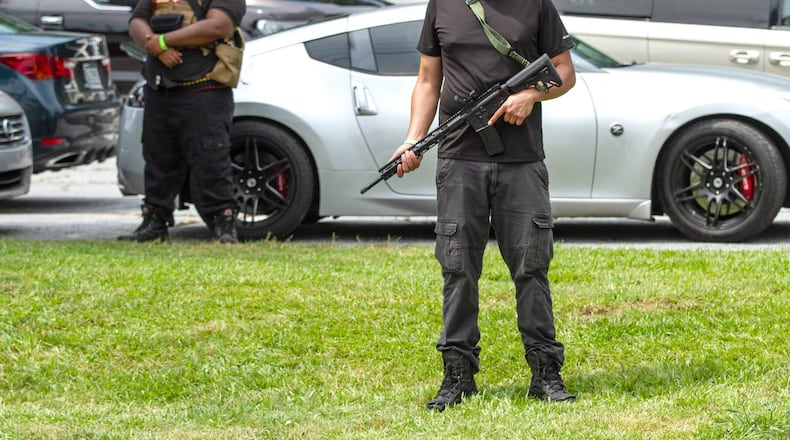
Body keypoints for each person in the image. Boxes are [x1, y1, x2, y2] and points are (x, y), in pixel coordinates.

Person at [389, 0, 577, 411]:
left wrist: (530, 95)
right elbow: (427, 80)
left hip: (522, 160)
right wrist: (413, 140)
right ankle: (458, 375)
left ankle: (545, 372)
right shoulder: (442, 5)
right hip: (458, 159)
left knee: (531, 267)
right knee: (458, 268)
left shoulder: (536, 4)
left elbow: (564, 72)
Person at [118, 0, 245, 243]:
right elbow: (137, 20)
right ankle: (155, 220)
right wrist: (152, 45)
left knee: (211, 158)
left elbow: (219, 26)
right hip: (160, 87)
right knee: (158, 158)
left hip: (204, 89)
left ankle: (223, 221)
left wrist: (164, 41)